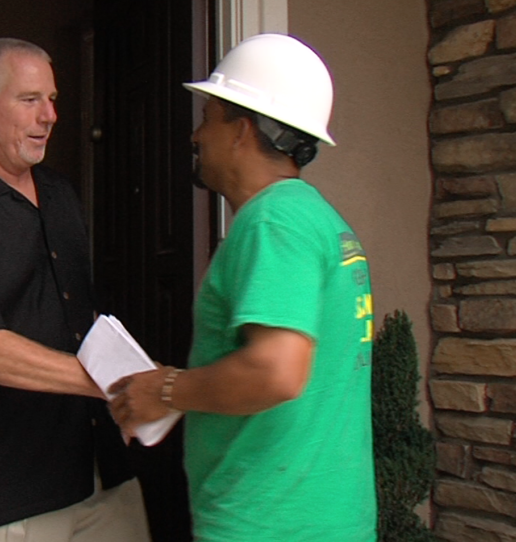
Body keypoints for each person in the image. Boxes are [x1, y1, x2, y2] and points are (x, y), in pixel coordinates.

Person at [109, 33, 378, 541]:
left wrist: (167, 390)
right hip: (328, 518)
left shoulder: (273, 221)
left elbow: (275, 371)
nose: (196, 134)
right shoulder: (320, 221)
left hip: (268, 523)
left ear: (241, 130)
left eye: (208, 116)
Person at [0, 38, 151, 542]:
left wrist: (121, 401)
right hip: (9, 490)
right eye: (30, 99)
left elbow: (83, 320)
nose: (50, 115)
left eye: (52, 99)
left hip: (103, 474)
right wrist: (119, 385)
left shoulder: (61, 195)